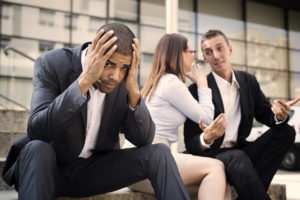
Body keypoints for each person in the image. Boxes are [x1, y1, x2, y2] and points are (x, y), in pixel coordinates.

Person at [1, 23, 191, 200]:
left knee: (159, 153)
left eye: (123, 67)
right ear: (93, 52)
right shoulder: (51, 63)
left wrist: (133, 91)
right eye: (109, 63)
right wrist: (84, 81)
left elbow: (143, 140)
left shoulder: (125, 79)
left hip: (93, 172)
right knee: (36, 148)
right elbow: (37, 130)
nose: (115, 76)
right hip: (47, 170)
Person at [184, 29, 300, 200]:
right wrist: (206, 138)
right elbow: (190, 141)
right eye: (209, 52)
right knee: (237, 157)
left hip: (242, 152)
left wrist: (279, 116)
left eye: (220, 48)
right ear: (205, 57)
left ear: (230, 49)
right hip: (213, 157)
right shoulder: (197, 90)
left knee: (286, 132)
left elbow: (266, 114)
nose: (215, 55)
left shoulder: (248, 81)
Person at [124, 33, 229, 200]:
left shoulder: (160, 81)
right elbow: (208, 119)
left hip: (139, 164)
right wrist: (202, 84)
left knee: (222, 186)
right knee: (216, 167)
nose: (193, 55)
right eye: (190, 51)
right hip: (148, 162)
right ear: (178, 54)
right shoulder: (170, 82)